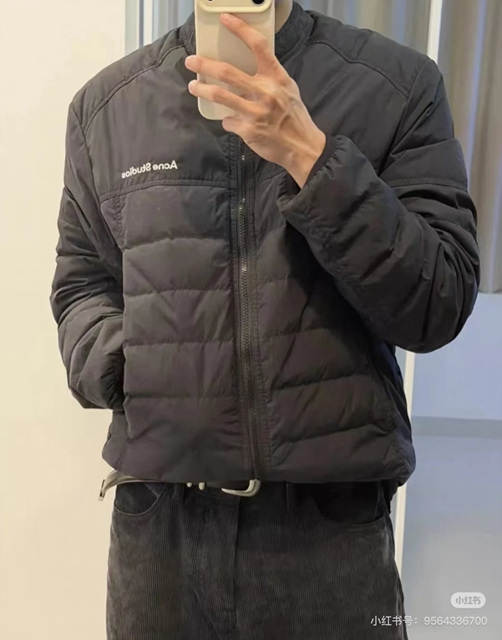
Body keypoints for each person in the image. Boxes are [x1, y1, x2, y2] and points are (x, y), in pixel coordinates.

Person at [49, 1, 480, 638]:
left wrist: (311, 156)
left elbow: (438, 301)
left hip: (329, 538)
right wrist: (127, 365)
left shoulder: (396, 85)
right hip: (160, 535)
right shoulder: (106, 107)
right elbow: (81, 286)